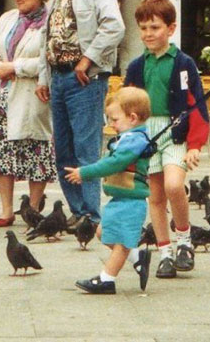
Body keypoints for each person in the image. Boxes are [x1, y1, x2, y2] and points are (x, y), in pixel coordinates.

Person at [123, 0, 210, 280]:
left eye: (155, 27)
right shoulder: (136, 66)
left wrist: (195, 145)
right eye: (144, 28)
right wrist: (126, 135)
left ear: (171, 29)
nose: (148, 34)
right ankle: (165, 252)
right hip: (147, 135)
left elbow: (196, 104)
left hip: (174, 132)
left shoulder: (184, 64)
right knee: (155, 196)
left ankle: (184, 241)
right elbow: (127, 104)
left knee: (174, 186)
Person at [40, 0, 125, 225]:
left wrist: (88, 59)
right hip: (59, 77)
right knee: (62, 148)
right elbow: (48, 39)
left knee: (86, 148)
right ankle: (78, 211)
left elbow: (114, 26)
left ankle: (91, 213)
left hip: (84, 78)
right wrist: (44, 77)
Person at [0, 0, 57, 227]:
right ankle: (7, 209)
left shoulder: (50, 21)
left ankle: (32, 209)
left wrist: (16, 67)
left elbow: (48, 59)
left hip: (31, 94)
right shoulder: (8, 18)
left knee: (36, 150)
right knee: (2, 152)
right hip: (2, 94)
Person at [64, 86, 153, 295]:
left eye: (114, 119)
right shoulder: (130, 138)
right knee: (103, 233)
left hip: (131, 199)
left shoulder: (135, 141)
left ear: (132, 118)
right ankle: (138, 258)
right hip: (121, 197)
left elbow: (114, 164)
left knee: (121, 241)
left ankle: (107, 279)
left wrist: (85, 172)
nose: (111, 124)